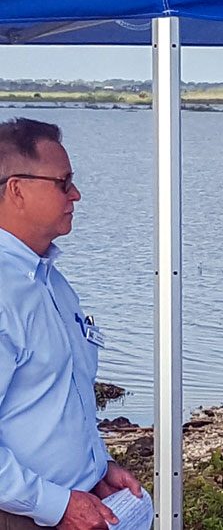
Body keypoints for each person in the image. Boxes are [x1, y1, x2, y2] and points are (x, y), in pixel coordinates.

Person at [0, 118, 143, 529]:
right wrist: (57, 505)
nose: (75, 194)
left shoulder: (52, 284)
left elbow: (61, 398)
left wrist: (98, 468)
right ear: (17, 189)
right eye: (63, 182)